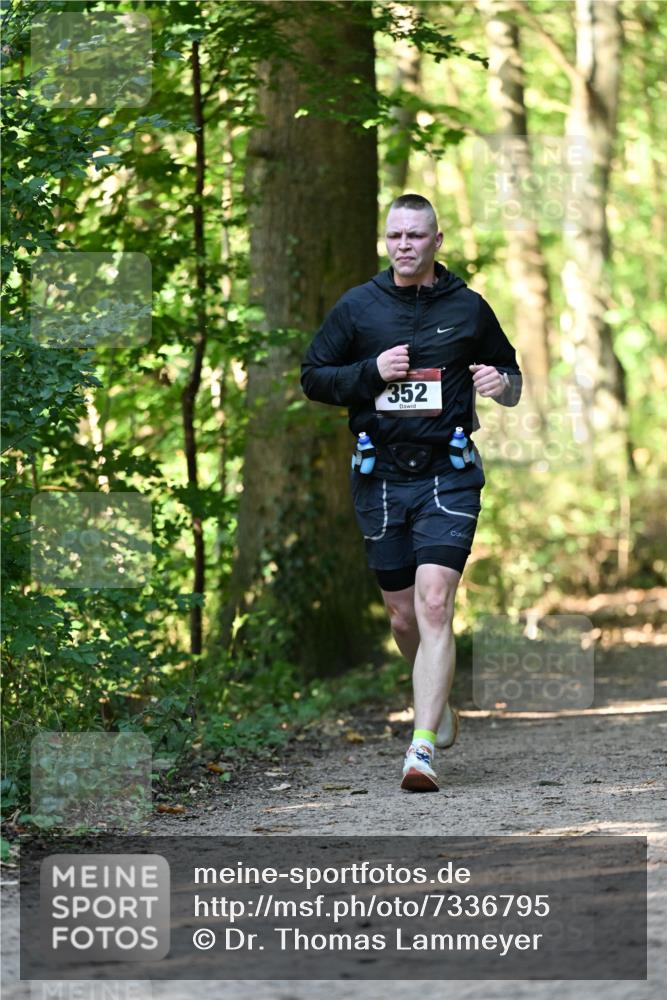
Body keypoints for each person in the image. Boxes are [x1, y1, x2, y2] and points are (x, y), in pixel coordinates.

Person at [301, 193, 522, 792]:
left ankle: (421, 748)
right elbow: (313, 377)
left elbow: (511, 377)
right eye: (396, 235)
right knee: (402, 617)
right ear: (386, 240)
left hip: (448, 473)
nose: (405, 245)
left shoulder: (469, 309)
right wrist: (371, 372)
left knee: (433, 604)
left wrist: (499, 383)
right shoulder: (358, 308)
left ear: (436, 241)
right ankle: (438, 702)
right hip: (379, 475)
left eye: (416, 236)